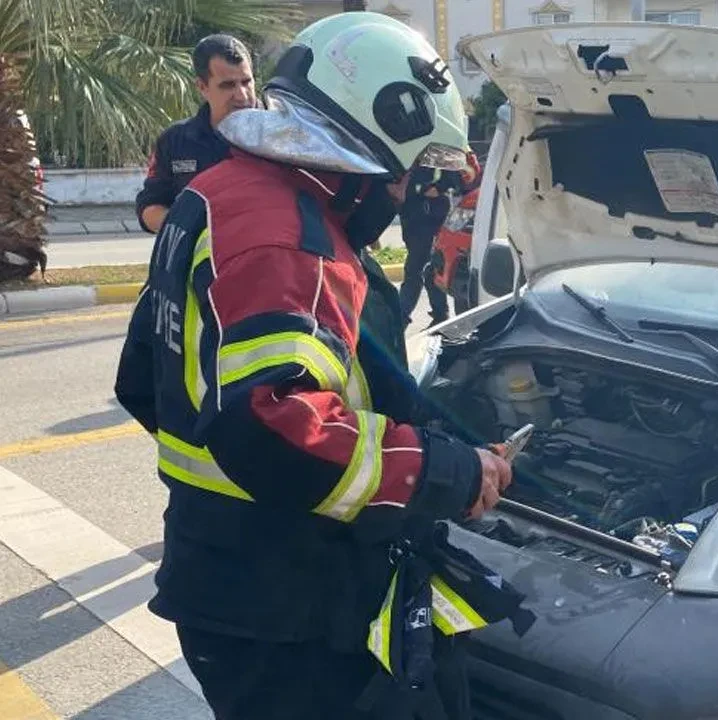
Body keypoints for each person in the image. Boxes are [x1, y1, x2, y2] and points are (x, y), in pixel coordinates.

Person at [113, 12, 514, 719]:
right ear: (373, 137)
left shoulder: (219, 193)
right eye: (408, 171)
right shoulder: (290, 241)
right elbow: (272, 427)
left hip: (219, 574)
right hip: (283, 601)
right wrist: (443, 471)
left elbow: (140, 378)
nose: (405, 192)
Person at [135, 34, 257, 234]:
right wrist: (188, 228)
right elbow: (150, 205)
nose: (242, 95)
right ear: (202, 87)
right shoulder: (175, 141)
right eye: (228, 85)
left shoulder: (283, 135)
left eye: (246, 82)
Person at [398, 153, 481, 326]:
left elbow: (461, 174)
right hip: (411, 215)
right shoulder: (408, 149)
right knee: (430, 269)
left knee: (415, 269)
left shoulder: (438, 148)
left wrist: (439, 187)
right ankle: (440, 314)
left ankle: (399, 319)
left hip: (431, 216)